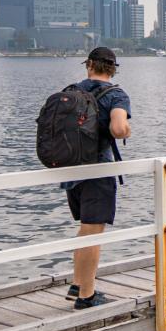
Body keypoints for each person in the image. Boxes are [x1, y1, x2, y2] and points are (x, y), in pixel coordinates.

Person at [62, 47, 131, 309]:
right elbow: (118, 128)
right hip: (98, 172)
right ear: (112, 68)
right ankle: (86, 296)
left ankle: (78, 283)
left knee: (85, 229)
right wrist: (127, 129)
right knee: (93, 231)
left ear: (89, 65)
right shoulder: (115, 95)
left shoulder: (70, 90)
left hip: (72, 170)